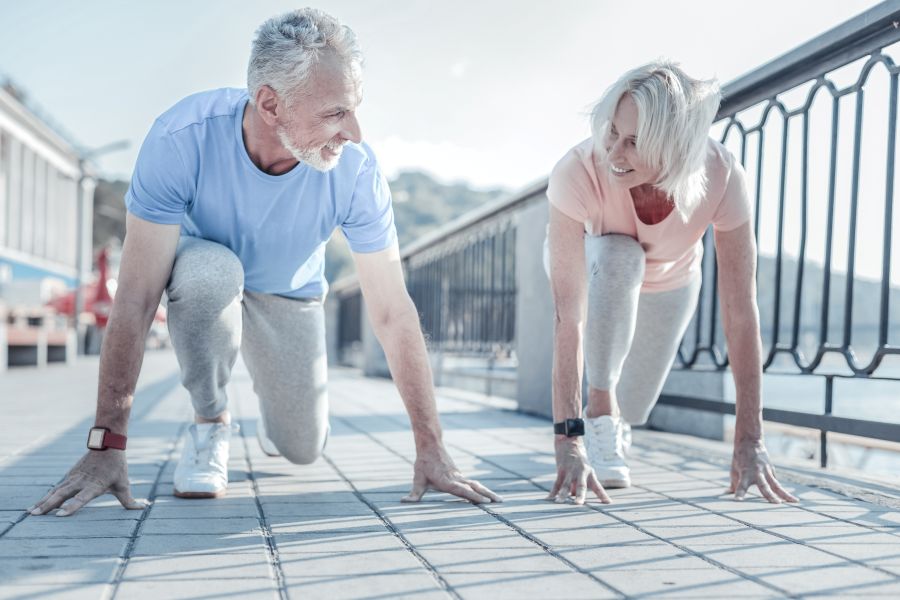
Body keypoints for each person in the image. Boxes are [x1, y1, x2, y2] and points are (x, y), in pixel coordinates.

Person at [29, 8, 500, 517]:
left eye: (355, 109)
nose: (355, 133)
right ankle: (211, 424)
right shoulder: (180, 139)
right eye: (335, 113)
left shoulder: (355, 173)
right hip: (206, 276)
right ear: (270, 104)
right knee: (212, 273)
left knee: (303, 446)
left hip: (289, 292)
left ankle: (275, 401)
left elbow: (391, 311)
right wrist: (106, 445)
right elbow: (137, 297)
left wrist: (431, 447)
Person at [544, 60, 799, 506]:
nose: (614, 154)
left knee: (637, 406)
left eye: (634, 143)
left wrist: (751, 439)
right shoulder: (578, 170)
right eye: (611, 133)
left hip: (673, 278)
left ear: (673, 148)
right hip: (598, 264)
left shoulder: (721, 176)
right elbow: (570, 316)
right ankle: (600, 411)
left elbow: (741, 312)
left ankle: (617, 415)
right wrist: (570, 440)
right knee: (619, 255)